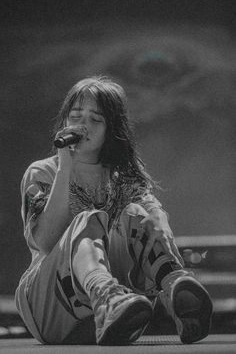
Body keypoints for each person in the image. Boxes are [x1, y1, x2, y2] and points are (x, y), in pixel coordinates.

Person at [15, 76, 213, 345]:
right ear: (64, 123)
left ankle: (174, 287)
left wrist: (157, 216)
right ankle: (105, 296)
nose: (83, 125)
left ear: (112, 129)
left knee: (139, 213)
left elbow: (153, 220)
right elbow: (45, 241)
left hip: (112, 316)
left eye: (95, 119)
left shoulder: (124, 178)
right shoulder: (43, 172)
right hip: (50, 306)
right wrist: (65, 167)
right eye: (75, 116)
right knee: (89, 219)